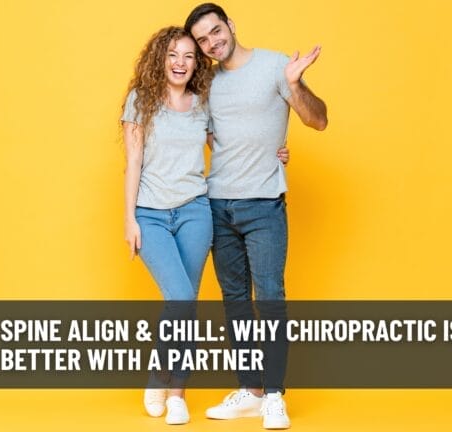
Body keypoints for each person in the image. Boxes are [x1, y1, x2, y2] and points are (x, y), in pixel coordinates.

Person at [121, 25, 290, 425]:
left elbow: (230, 146)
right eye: (172, 55)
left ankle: (176, 394)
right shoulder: (140, 102)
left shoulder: (201, 103)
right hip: (151, 214)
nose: (180, 63)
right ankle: (160, 376)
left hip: (197, 211)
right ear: (158, 59)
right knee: (179, 297)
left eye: (188, 56)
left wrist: (272, 153)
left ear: (197, 62)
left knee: (187, 302)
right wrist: (129, 218)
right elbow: (132, 163)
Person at [184, 3, 328, 430]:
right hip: (218, 205)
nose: (212, 43)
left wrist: (294, 84)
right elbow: (209, 137)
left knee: (269, 299)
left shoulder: (276, 66)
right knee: (234, 303)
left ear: (230, 25)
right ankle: (251, 390)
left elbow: (318, 120)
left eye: (215, 32)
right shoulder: (208, 82)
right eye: (203, 41)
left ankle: (275, 396)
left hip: (264, 205)